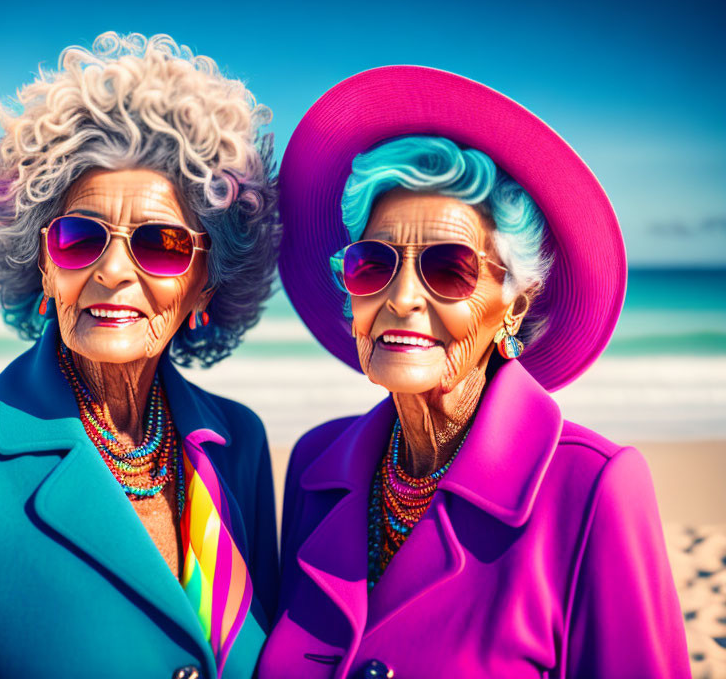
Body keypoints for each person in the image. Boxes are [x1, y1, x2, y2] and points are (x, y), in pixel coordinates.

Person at [0, 31, 280, 679]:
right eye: (80, 238)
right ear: (44, 269)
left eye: (160, 244)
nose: (112, 272)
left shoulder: (238, 443)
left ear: (205, 283)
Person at [258, 66, 690, 678]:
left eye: (450, 269)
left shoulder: (594, 490)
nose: (401, 297)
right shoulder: (313, 466)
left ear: (514, 302)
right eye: (371, 264)